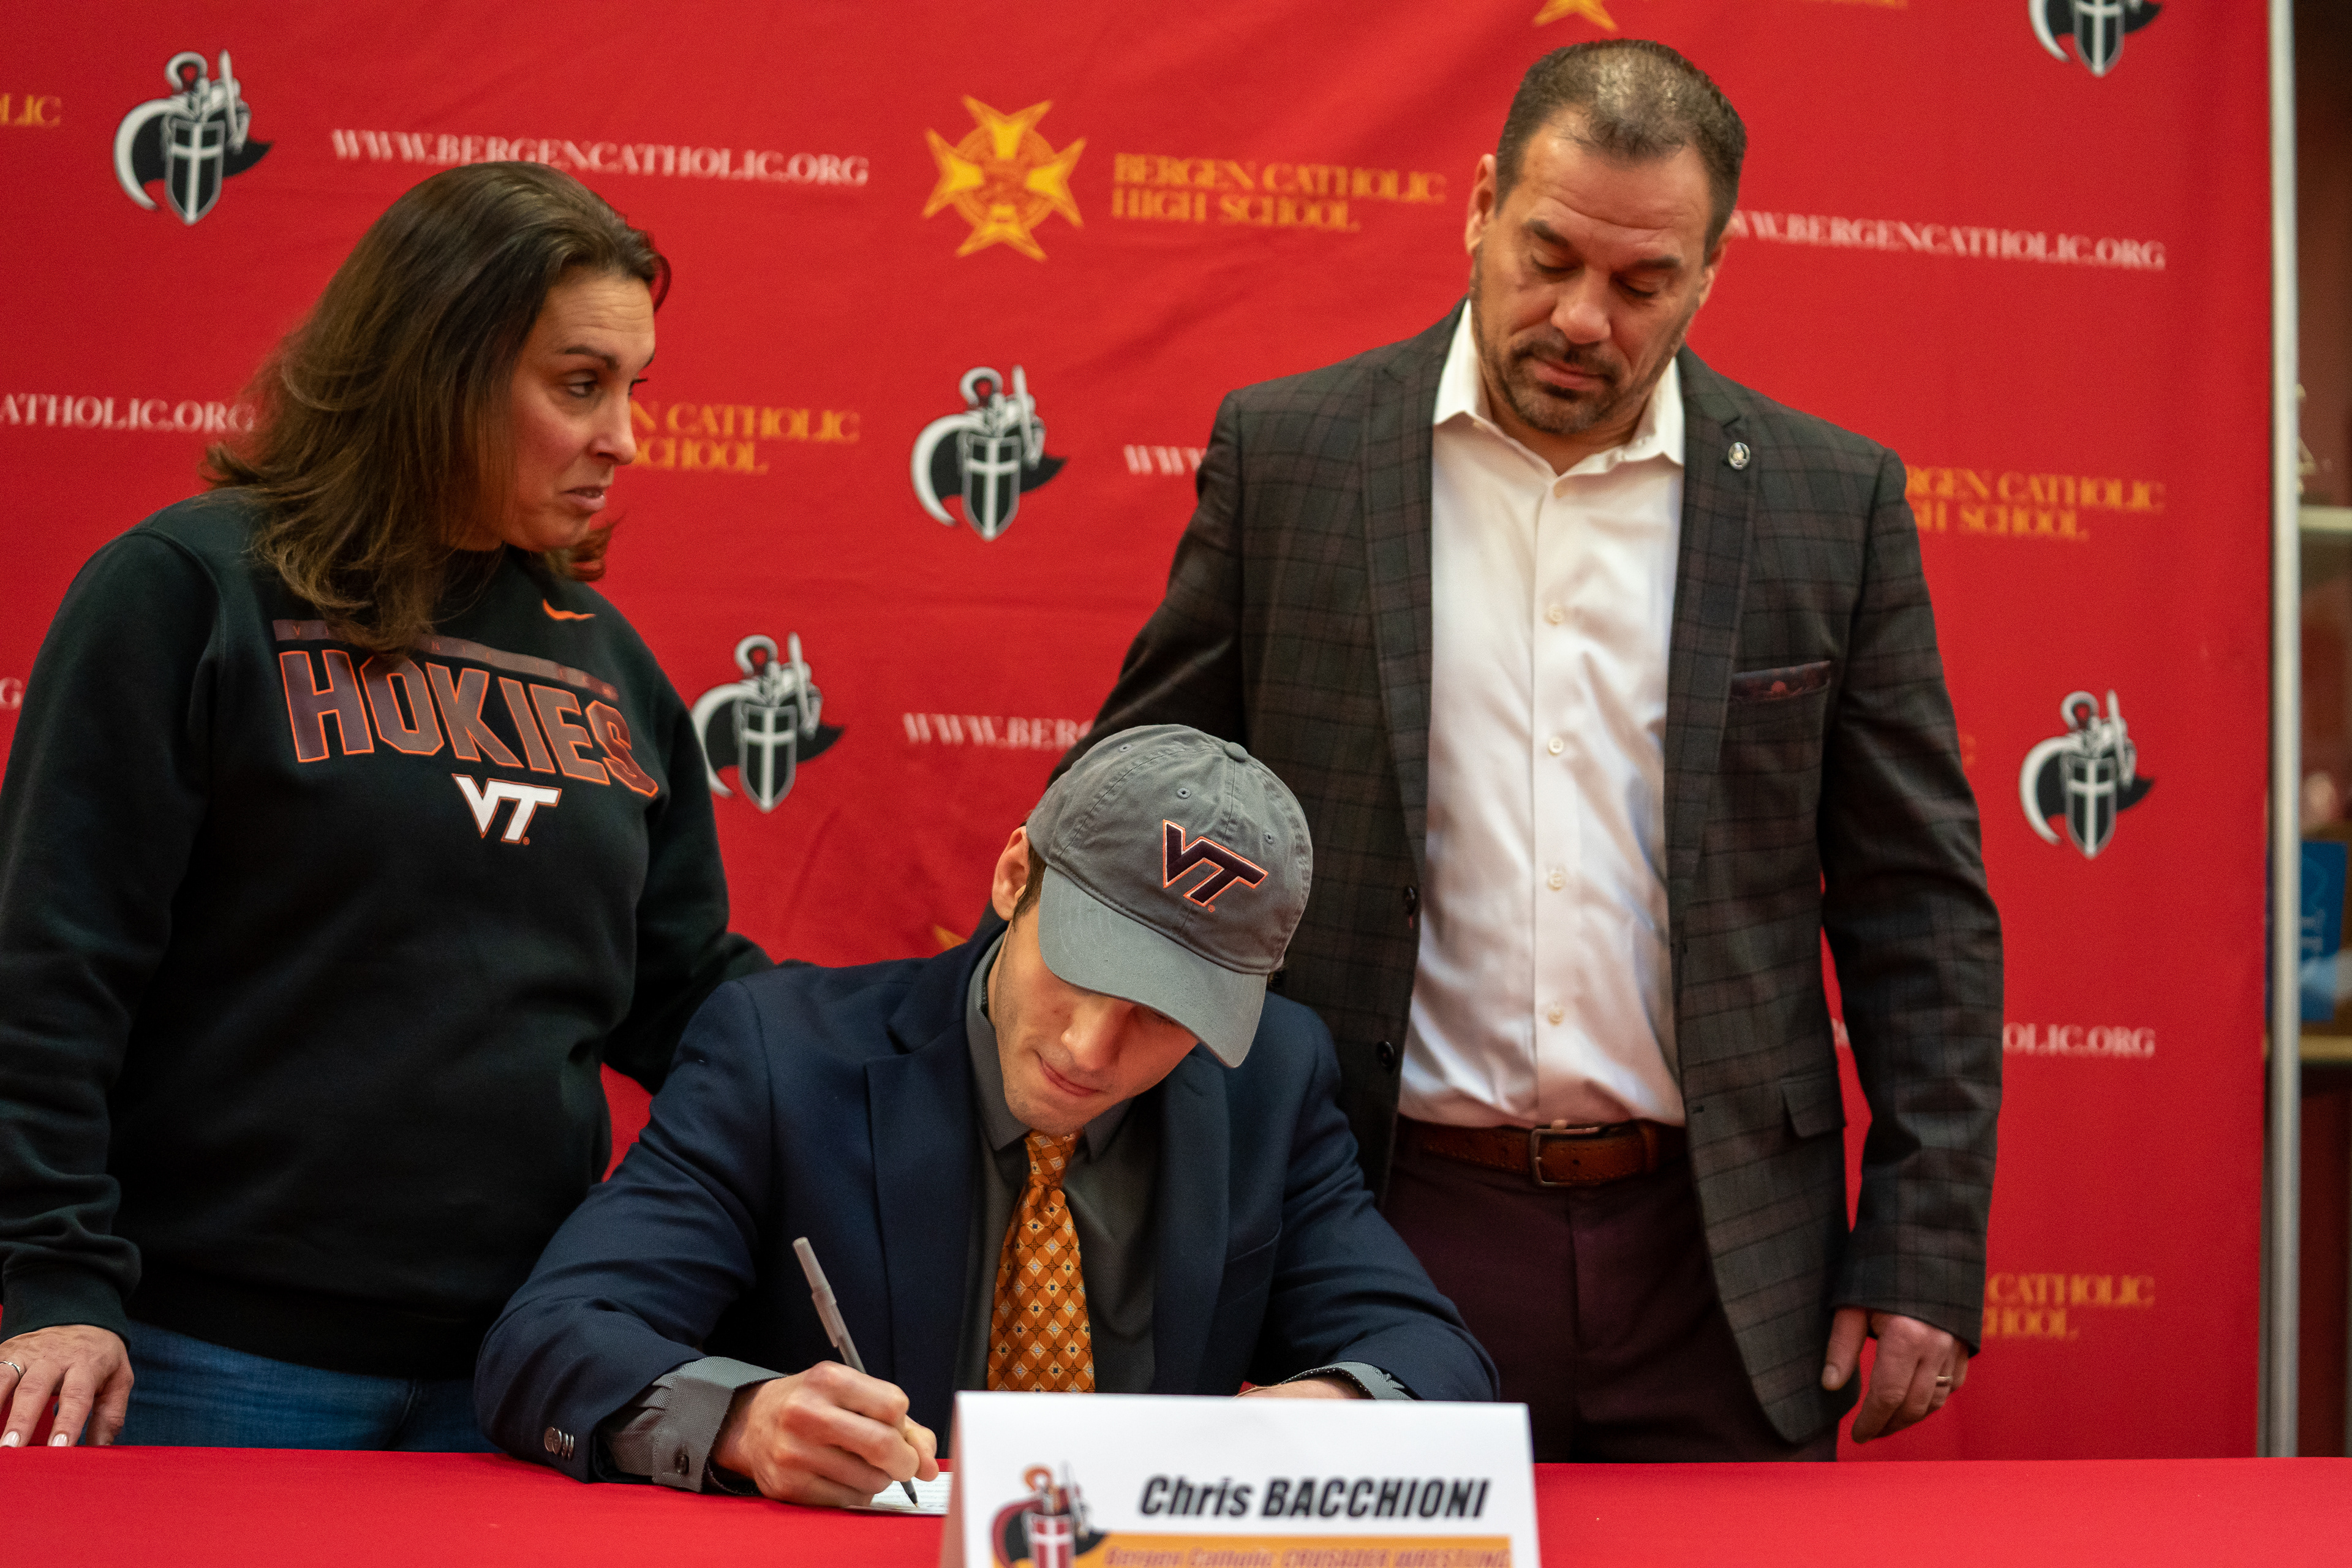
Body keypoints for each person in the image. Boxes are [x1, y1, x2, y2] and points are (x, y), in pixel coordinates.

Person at [1064, 40, 2001, 1462]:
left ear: (1710, 273)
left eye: (1641, 283)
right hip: (1369, 1216)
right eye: (1548, 256)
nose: (1580, 318)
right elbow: (1132, 806)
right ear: (1480, 207)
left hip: (1726, 1256)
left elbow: (1917, 904)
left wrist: (1924, 1233)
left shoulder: (1832, 501)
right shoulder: (1294, 458)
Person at [0, 162, 766, 1451]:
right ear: (442, 368)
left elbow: (687, 993)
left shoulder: (610, 664)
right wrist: (53, 1281)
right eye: (581, 384)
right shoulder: (189, 591)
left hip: (513, 1376)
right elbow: (50, 968)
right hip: (204, 1362)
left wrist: (940, 1030)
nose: (625, 437)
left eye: (635, 387)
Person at [475, 725, 1496, 1506]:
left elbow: (1432, 1357)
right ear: (1015, 878)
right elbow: (550, 1338)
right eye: (1082, 969)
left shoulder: (1269, 1077)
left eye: (1166, 1015)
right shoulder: (779, 1055)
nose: (1090, 1050)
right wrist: (746, 1419)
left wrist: (1329, 1414)